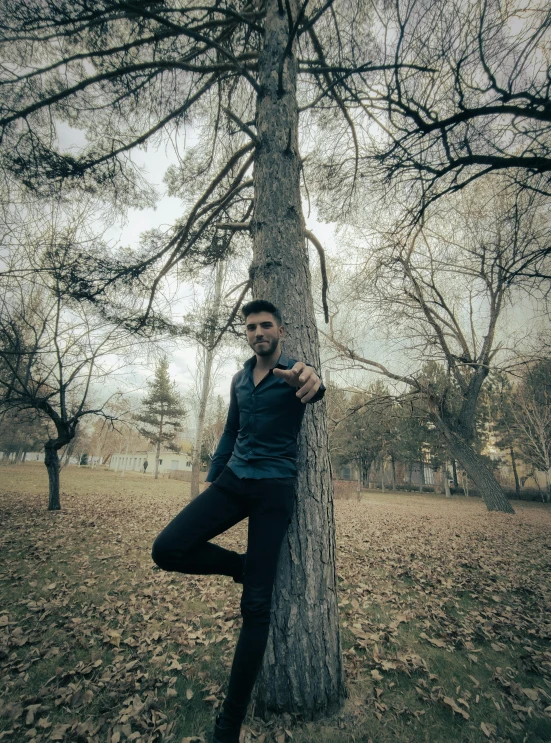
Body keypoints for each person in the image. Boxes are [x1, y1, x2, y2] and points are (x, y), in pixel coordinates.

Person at [151, 299, 325, 743]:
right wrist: (213, 479)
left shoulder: (294, 373)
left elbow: (316, 387)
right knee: (167, 549)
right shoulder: (239, 380)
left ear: (281, 331)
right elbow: (231, 430)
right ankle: (239, 568)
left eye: (266, 325)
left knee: (255, 607)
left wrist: (313, 380)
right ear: (246, 334)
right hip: (232, 481)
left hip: (273, 491)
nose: (257, 332)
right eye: (250, 327)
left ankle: (227, 727)